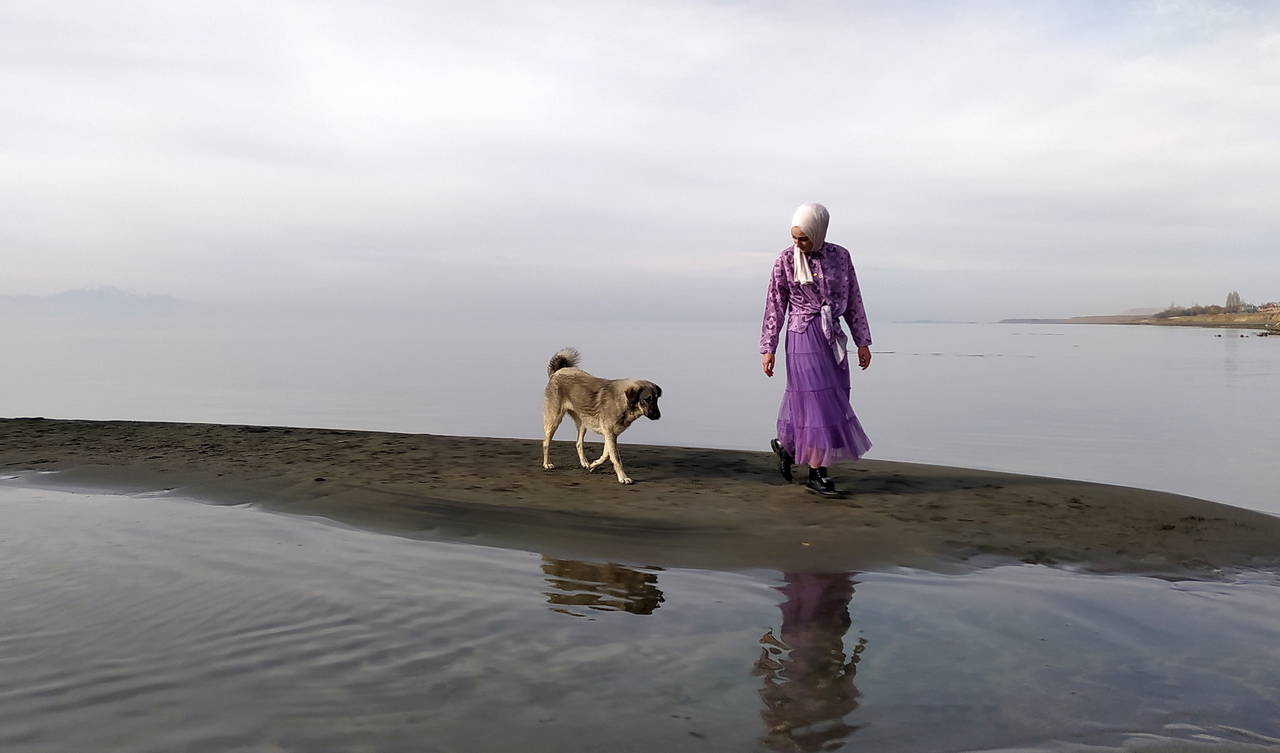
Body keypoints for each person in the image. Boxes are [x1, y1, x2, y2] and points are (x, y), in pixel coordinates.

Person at [760, 203, 872, 497]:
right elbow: (775, 305)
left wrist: (863, 341)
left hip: (832, 335)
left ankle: (787, 447)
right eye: (794, 237)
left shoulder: (840, 257)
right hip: (802, 335)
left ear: (819, 231)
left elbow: (854, 300)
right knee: (816, 403)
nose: (798, 243)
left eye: (804, 238)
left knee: (834, 397)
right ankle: (817, 473)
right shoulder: (785, 260)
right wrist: (768, 347)